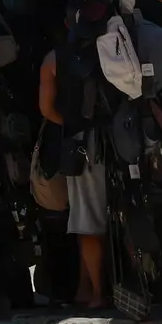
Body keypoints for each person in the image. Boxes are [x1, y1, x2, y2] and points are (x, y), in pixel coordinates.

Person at [39, 45, 106, 308]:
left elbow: (46, 109)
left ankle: (96, 293)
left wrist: (71, 125)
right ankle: (88, 289)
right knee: (96, 221)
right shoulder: (116, 44)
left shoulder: (54, 58)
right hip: (121, 139)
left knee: (86, 221)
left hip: (81, 144)